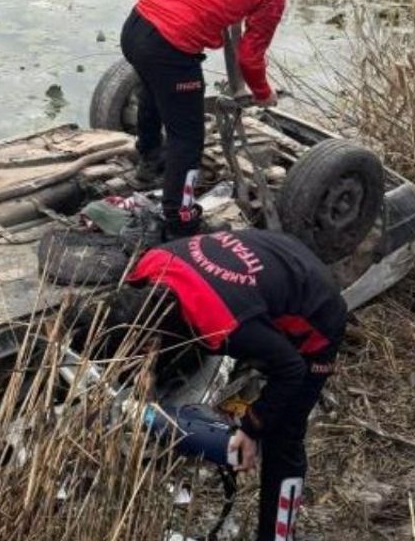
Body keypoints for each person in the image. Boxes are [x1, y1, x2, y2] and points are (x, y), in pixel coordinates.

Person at [119, 228, 346, 541]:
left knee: (284, 436)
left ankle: (278, 536)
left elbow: (291, 370)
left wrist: (252, 428)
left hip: (317, 314)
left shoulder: (225, 324)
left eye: (151, 346)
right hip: (274, 260)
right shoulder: (151, 264)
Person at [121, 0, 313, 237]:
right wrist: (264, 94)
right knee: (188, 139)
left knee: (152, 92)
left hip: (136, 25)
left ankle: (149, 161)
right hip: (170, 48)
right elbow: (250, 57)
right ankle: (180, 221)